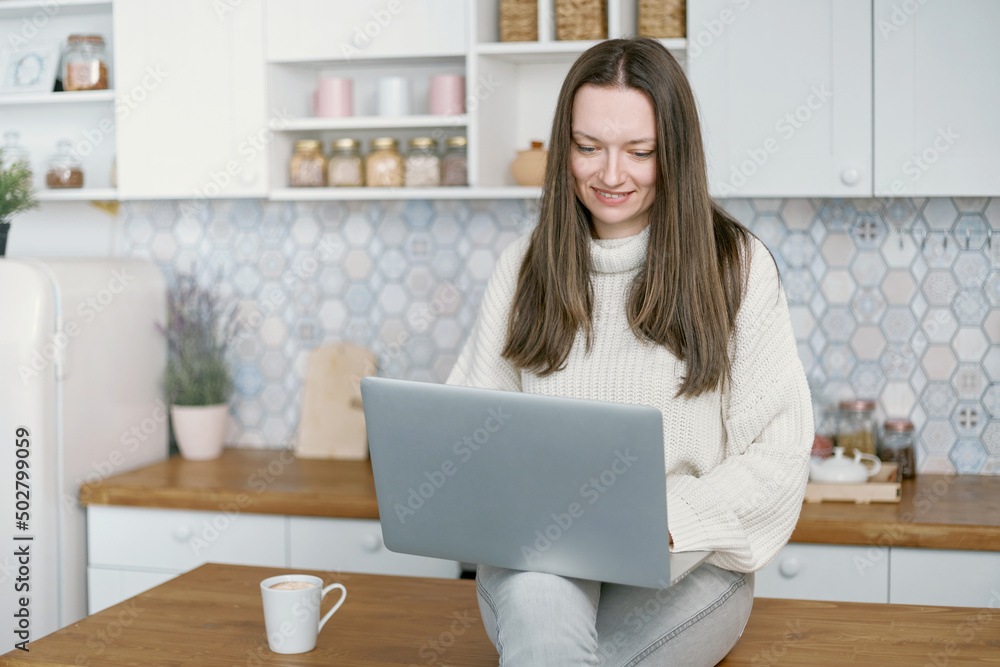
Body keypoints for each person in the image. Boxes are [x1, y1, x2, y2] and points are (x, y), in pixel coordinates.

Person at [446, 37, 813, 666]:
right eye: (588, 148)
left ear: (676, 152)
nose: (610, 175)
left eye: (639, 152)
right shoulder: (522, 268)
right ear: (564, 146)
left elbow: (778, 455)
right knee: (542, 614)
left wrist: (663, 520)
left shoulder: (737, 268)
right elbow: (470, 429)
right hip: (541, 560)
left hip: (688, 558)